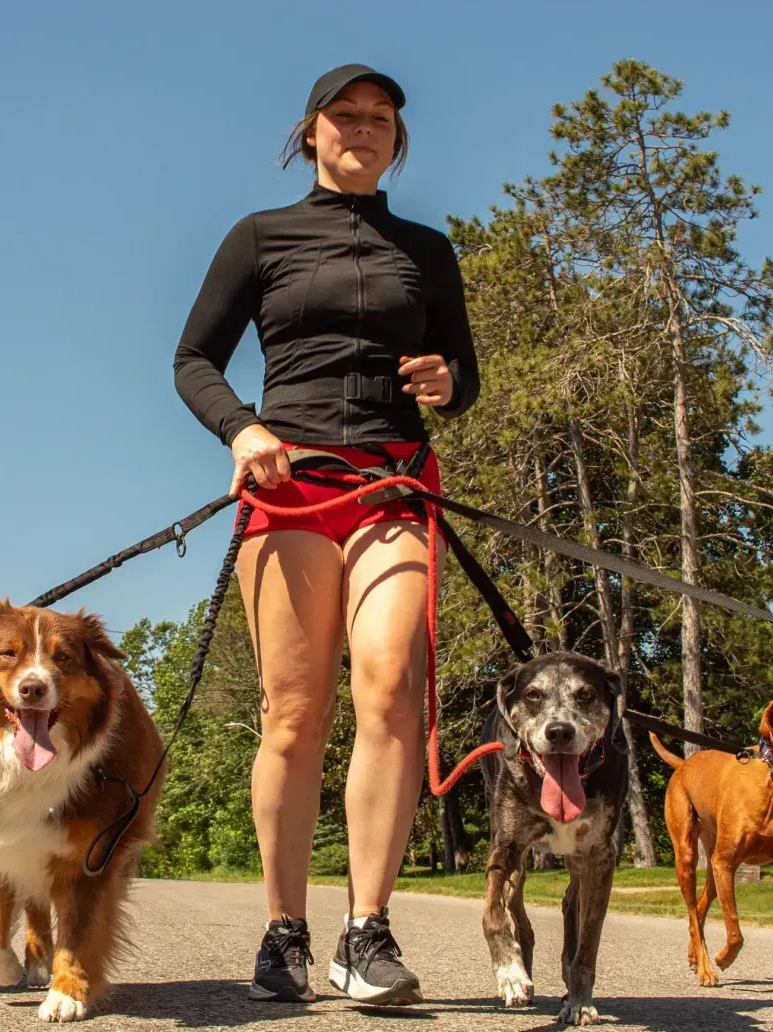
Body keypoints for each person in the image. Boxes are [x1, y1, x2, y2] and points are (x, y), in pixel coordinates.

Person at [173, 63, 479, 1006]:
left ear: (398, 138)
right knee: (295, 714)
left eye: (380, 118)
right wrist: (244, 427)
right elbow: (193, 360)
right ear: (310, 133)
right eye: (344, 116)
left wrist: (446, 384)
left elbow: (463, 371)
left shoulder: (425, 249)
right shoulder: (260, 237)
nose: (363, 128)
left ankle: (366, 932)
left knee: (389, 688)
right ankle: (284, 932)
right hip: (292, 484)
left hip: (392, 480)